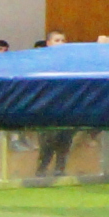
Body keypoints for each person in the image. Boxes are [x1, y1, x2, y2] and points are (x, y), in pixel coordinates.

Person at [35, 30, 74, 178]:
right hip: (47, 107)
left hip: (66, 106)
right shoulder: (41, 62)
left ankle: (60, 170)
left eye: (63, 40)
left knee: (65, 141)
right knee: (48, 142)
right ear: (48, 43)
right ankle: (41, 170)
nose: (61, 43)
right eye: (57, 40)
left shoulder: (69, 64)